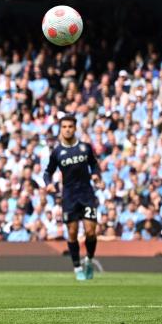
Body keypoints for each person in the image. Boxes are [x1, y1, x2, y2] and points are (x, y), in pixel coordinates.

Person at [44, 115, 102, 281]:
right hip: (69, 197)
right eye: (64, 127)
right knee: (72, 233)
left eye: (70, 126)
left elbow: (94, 165)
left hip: (86, 194)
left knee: (91, 232)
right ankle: (77, 268)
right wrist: (48, 183)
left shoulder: (85, 148)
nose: (67, 129)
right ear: (61, 129)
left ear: (75, 128)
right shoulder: (57, 152)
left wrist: (96, 176)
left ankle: (89, 260)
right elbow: (48, 171)